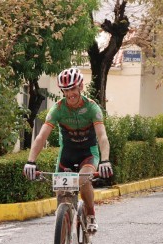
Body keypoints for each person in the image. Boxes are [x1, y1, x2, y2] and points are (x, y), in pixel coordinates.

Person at [23, 67, 113, 234]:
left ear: (80, 87)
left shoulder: (92, 108)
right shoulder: (58, 109)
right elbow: (41, 137)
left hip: (88, 153)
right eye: (66, 90)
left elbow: (102, 137)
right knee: (61, 199)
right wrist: (30, 161)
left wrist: (105, 160)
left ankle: (91, 214)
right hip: (67, 154)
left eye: (73, 88)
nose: (70, 93)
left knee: (84, 179)